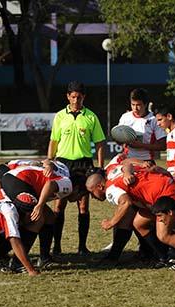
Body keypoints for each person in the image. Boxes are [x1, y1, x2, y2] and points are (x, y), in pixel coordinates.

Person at [47, 81, 106, 256]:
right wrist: (50, 161)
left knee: (83, 207)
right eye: (73, 96)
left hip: (84, 165)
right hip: (63, 165)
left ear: (83, 97)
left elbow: (100, 143)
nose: (75, 100)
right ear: (68, 97)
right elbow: (53, 141)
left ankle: (82, 247)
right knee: (59, 206)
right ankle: (56, 246)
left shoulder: (91, 117)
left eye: (79, 97)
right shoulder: (59, 116)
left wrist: (100, 168)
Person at [117, 88, 166, 162]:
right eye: (133, 104)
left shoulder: (154, 119)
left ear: (146, 104)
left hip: (146, 161)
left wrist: (141, 145)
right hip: (127, 160)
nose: (135, 108)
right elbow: (118, 139)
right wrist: (120, 140)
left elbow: (163, 146)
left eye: (138, 105)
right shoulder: (125, 117)